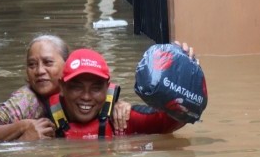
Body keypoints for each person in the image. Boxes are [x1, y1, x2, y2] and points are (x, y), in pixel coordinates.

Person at [0, 34, 131, 142]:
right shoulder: (25, 100)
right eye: (32, 65)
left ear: (67, 65)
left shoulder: (89, 88)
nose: (40, 71)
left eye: (48, 63)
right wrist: (24, 127)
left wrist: (118, 106)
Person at [47, 47, 191, 139]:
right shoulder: (44, 121)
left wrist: (183, 73)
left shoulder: (121, 120)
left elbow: (176, 118)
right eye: (77, 87)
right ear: (62, 87)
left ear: (107, 88)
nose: (86, 96)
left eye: (96, 88)